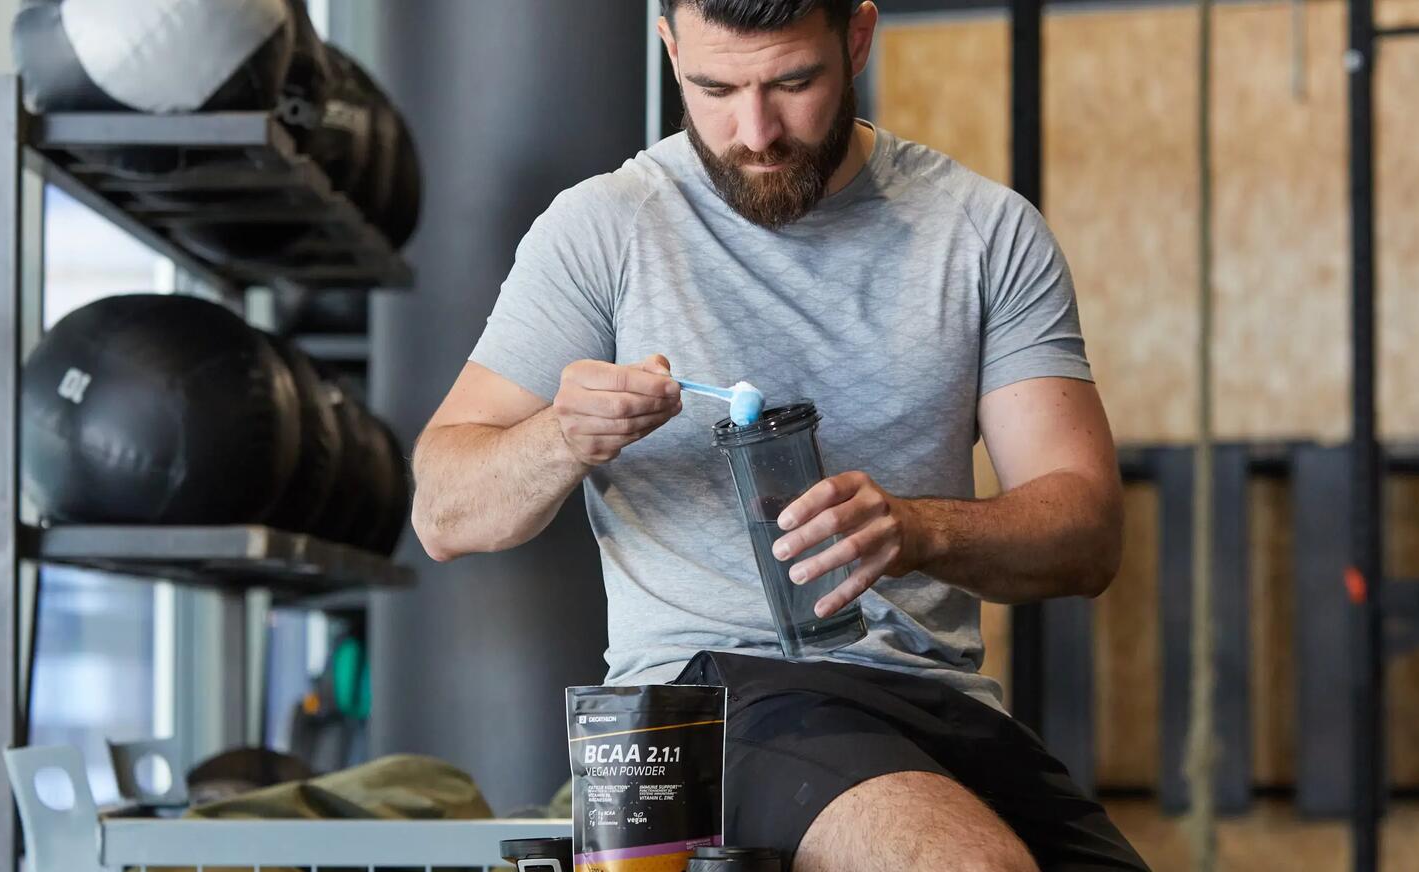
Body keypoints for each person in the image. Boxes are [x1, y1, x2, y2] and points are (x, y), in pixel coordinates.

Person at [412, 1, 1146, 869]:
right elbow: (443, 514)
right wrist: (561, 437)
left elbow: (1088, 535)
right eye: (715, 88)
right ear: (671, 48)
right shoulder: (603, 230)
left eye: (793, 82)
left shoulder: (984, 234)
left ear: (858, 39)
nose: (755, 131)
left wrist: (918, 532)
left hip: (939, 707)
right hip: (702, 704)